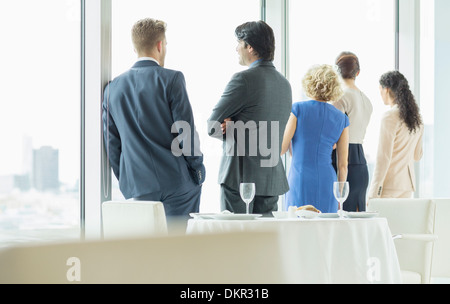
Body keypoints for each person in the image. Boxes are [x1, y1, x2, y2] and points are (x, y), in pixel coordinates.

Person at [102, 18, 205, 223]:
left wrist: (127, 180)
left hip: (138, 186)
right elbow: (185, 131)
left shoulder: (112, 89)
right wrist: (197, 169)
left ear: (135, 48)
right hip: (177, 183)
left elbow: (112, 145)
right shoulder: (172, 79)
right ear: (160, 45)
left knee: (147, 248)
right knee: (177, 247)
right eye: (165, 45)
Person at [207, 21, 292, 215]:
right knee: (264, 242)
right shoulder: (284, 84)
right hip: (270, 179)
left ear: (250, 47)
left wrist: (232, 127)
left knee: (236, 242)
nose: (236, 48)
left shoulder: (243, 79)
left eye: (239, 43)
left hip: (240, 178)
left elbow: (212, 126)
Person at [281, 64, 349, 213]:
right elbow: (343, 165)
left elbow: (282, 148)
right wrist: (340, 193)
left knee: (297, 228)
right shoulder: (342, 119)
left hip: (300, 178)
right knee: (324, 231)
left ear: (309, 83)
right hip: (327, 181)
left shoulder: (298, 109)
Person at [368, 71, 423, 199]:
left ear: (386, 89)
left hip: (389, 186)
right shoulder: (417, 118)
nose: (380, 94)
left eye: (380, 90)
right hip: (407, 185)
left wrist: (373, 193)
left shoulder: (389, 116)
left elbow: (383, 157)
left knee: (386, 219)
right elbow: (417, 155)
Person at [332, 52, 373, 212]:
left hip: (342, 160)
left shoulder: (340, 97)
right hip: (361, 162)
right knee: (356, 218)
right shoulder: (367, 100)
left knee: (340, 217)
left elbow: (334, 135)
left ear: (337, 72)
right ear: (357, 73)